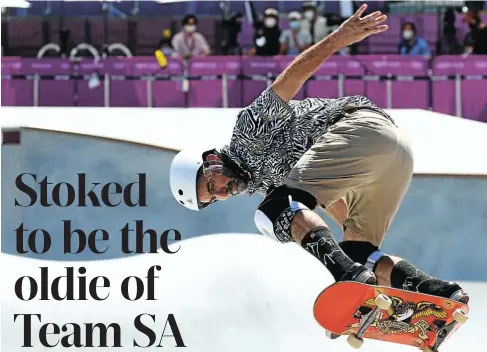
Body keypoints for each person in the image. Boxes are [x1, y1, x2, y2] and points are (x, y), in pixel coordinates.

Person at [170, 3, 469, 326]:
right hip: (393, 155)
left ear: (211, 160)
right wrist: (356, 292)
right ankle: (438, 295)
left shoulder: (247, 131)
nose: (223, 192)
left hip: (361, 129)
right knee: (357, 251)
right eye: (215, 198)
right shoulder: (276, 185)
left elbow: (293, 75)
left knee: (272, 212)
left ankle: (348, 277)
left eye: (212, 184)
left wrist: (339, 38)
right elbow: (331, 207)